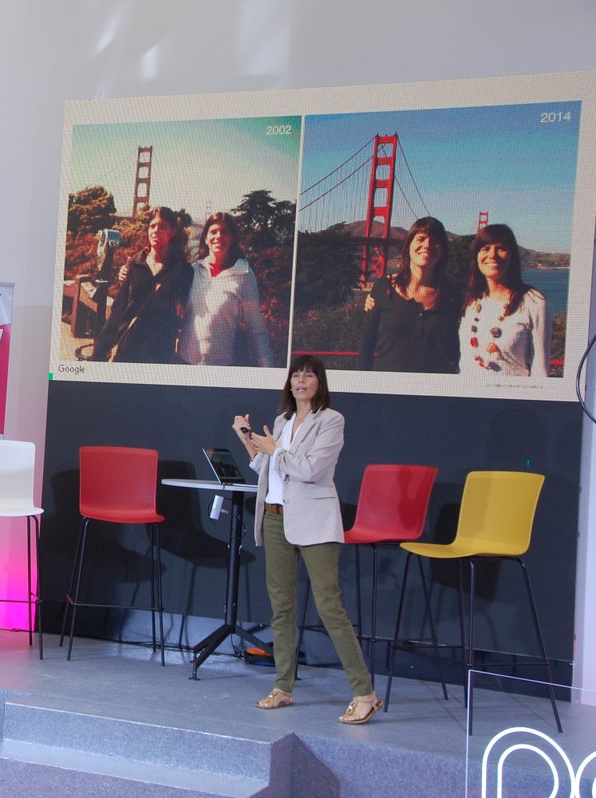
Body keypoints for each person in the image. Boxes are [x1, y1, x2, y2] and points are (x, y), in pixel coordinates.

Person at [231, 355, 381, 724]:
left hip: (314, 521)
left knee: (329, 607)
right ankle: (283, 686)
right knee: (281, 608)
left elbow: (311, 470)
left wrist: (275, 451)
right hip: (276, 518)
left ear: (319, 382)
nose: (301, 380)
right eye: (296, 375)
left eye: (308, 375)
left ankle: (365, 693)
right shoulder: (282, 421)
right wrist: (249, 441)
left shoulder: (331, 420)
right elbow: (270, 468)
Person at [358, 216, 462, 373]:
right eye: (420, 239)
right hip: (386, 389)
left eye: (435, 241)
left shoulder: (452, 295)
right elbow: (367, 343)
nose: (427, 245)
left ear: (442, 250)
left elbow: (455, 348)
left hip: (433, 391)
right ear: (408, 246)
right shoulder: (384, 288)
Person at [90, 206, 193, 363]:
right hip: (127, 348)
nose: (155, 231)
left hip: (158, 354)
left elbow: (184, 309)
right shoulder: (135, 264)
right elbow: (118, 310)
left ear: (172, 232)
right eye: (152, 226)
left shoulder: (183, 270)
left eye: (162, 226)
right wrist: (99, 351)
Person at [177, 212, 272, 367]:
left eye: (224, 232)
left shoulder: (244, 274)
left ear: (232, 238)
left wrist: (269, 372)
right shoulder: (193, 271)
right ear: (206, 239)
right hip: (184, 364)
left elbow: (257, 329)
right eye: (213, 232)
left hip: (221, 370)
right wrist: (129, 270)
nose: (219, 236)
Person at [458, 223, 548, 377]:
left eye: (501, 248)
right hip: (467, 396)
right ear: (476, 257)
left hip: (510, 399)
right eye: (485, 249)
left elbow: (540, 371)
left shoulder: (533, 302)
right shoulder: (472, 302)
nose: (492, 255)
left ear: (512, 256)